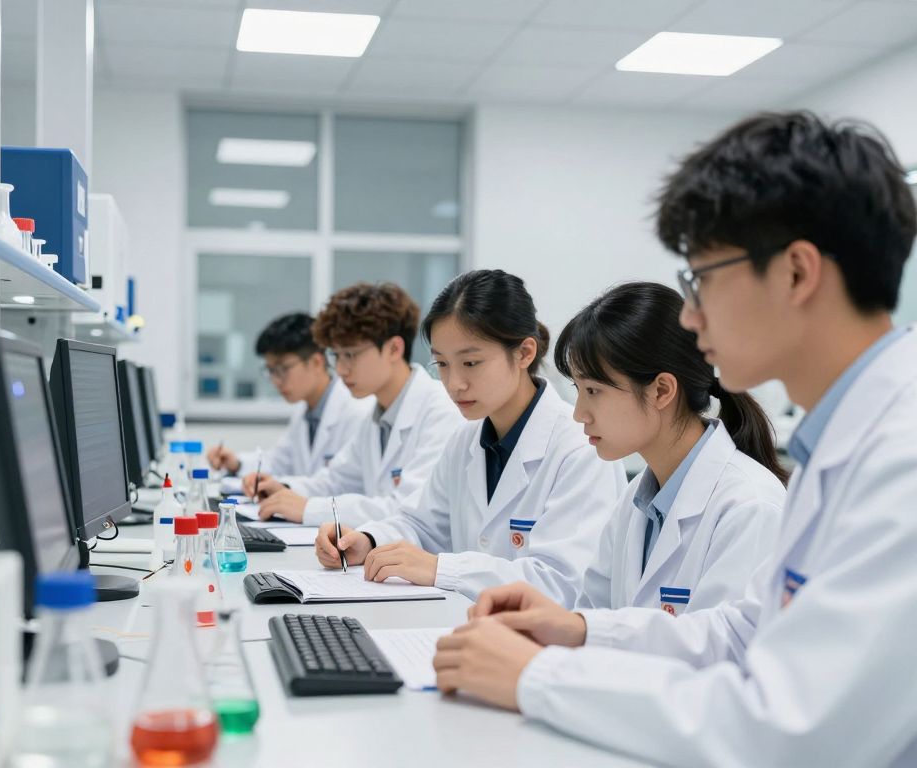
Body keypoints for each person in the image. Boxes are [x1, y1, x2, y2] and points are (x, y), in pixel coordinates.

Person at [433, 111, 917, 767]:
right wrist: (575, 628)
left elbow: (790, 730)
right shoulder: (842, 442)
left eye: (703, 279)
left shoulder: (899, 459)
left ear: (797, 273)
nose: (690, 315)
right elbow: (746, 629)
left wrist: (535, 677)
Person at [314, 270, 626, 605]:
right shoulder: (466, 440)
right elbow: (422, 524)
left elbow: (562, 584)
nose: (454, 383)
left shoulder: (579, 448)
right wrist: (368, 540)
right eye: (443, 364)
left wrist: (442, 569)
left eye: (471, 362)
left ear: (524, 353)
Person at [556, 281, 786, 616]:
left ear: (662, 390)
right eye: (577, 389)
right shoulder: (638, 500)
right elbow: (589, 621)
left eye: (593, 391)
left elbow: (723, 652)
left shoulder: (749, 507)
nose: (578, 413)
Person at [245, 282, 463, 527]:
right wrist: (283, 489)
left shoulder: (440, 411)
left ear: (393, 349)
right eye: (336, 356)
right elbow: (335, 480)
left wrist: (308, 508)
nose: (340, 369)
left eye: (350, 355)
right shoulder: (378, 415)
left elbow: (407, 509)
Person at [206, 312, 370, 478]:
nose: (275, 380)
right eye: (270, 371)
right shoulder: (304, 412)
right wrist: (237, 463)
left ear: (316, 363)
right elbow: (279, 463)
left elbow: (342, 485)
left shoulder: (356, 412)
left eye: (282, 369)